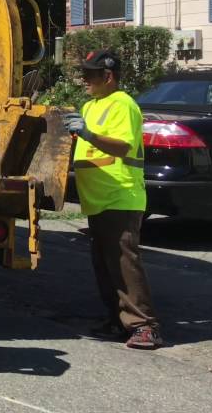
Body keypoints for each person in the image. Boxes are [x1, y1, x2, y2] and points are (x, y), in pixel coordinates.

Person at [64, 49, 162, 350]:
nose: (84, 79)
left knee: (123, 263)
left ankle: (145, 326)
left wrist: (89, 135)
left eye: (90, 74)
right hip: (99, 199)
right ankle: (119, 321)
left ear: (108, 76)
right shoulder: (93, 105)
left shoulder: (123, 104)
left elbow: (121, 147)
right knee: (106, 265)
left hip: (119, 195)